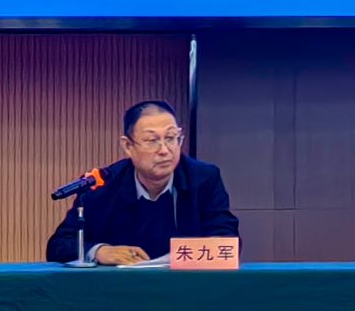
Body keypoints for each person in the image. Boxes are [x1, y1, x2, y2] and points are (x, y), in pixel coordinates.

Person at [46, 101, 239, 265]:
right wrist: (100, 251)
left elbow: (228, 241)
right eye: (152, 140)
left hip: (186, 288)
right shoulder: (102, 186)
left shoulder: (204, 179)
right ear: (128, 146)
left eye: (171, 138)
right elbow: (59, 245)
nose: (165, 150)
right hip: (120, 290)